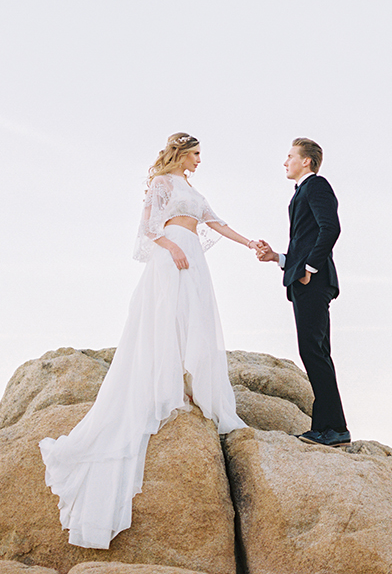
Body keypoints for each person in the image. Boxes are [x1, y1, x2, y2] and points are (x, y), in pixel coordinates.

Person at [40, 133, 258, 550]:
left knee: (196, 319)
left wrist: (249, 243)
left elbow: (216, 222)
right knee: (168, 317)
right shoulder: (161, 183)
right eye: (196, 154)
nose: (199, 161)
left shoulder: (192, 189)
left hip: (192, 253)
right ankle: (168, 384)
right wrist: (171, 246)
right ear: (181, 152)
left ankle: (192, 384)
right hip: (172, 252)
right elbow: (146, 228)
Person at [257, 137, 350, 447]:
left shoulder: (316, 186)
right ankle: (327, 427)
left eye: (290, 156)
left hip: (314, 281)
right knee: (315, 352)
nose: (285, 162)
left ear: (306, 161)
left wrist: (309, 270)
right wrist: (277, 258)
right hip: (303, 280)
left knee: (314, 351)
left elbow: (331, 228)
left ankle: (334, 429)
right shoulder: (301, 193)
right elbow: (306, 241)